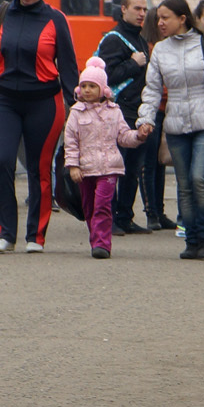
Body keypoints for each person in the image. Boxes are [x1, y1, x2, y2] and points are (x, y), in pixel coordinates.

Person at [0, 0, 79, 253]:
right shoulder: (2, 14)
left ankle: (35, 236)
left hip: (45, 102)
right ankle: (4, 233)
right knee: (2, 162)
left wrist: (77, 103)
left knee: (39, 169)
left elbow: (68, 64)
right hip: (4, 100)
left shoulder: (55, 19)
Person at [137, 0, 204, 261]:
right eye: (158, 18)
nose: (160, 23)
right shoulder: (160, 51)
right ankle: (192, 241)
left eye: (166, 18)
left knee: (198, 178)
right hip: (175, 126)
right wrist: (146, 120)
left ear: (182, 19)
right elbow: (151, 89)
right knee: (184, 184)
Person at [97, 0, 166, 235]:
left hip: (138, 112)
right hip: (120, 112)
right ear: (123, 9)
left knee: (133, 168)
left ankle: (125, 216)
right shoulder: (114, 39)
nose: (142, 14)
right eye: (137, 9)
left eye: (144, 9)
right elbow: (105, 77)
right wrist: (132, 64)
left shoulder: (138, 39)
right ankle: (111, 218)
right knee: (117, 166)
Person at [64, 57, 147, 260]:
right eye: (84, 86)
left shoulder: (114, 111)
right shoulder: (76, 113)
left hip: (109, 167)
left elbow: (123, 135)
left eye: (92, 86)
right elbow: (71, 141)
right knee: (89, 207)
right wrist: (73, 166)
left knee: (103, 204)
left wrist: (138, 136)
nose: (87, 90)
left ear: (102, 89)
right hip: (85, 168)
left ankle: (102, 244)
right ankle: (96, 238)